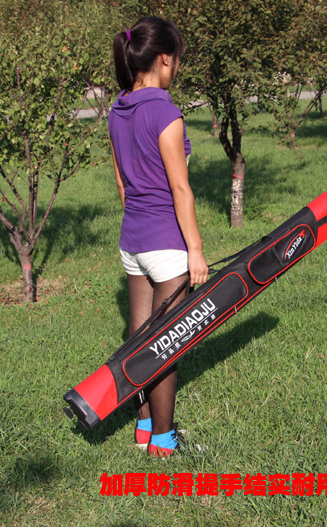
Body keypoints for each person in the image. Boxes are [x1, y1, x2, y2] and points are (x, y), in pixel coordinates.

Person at [109, 17, 209, 457]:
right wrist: (196, 250)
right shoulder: (165, 112)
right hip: (167, 243)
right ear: (165, 59)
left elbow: (122, 184)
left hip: (132, 240)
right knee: (167, 343)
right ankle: (164, 444)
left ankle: (143, 427)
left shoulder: (118, 108)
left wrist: (140, 223)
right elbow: (180, 189)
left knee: (139, 335)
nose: (177, 69)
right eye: (178, 61)